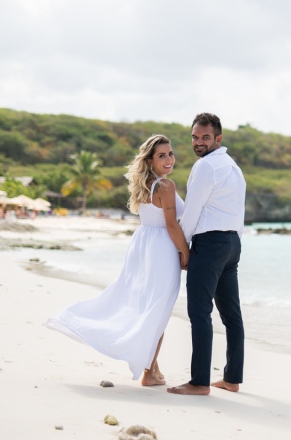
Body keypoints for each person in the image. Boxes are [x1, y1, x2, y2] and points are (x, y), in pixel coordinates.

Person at [45, 135, 189, 386]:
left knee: (146, 307)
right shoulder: (166, 186)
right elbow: (171, 225)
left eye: (170, 153)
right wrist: (186, 252)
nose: (169, 159)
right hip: (161, 249)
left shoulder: (146, 184)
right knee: (158, 309)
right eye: (161, 155)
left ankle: (152, 367)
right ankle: (148, 372)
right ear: (150, 160)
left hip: (143, 246)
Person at [168, 113, 246, 396]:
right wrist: (234, 244)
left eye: (205, 137)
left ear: (218, 139)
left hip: (211, 245)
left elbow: (191, 212)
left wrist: (183, 248)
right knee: (231, 315)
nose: (198, 142)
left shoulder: (206, 167)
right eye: (194, 137)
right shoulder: (232, 166)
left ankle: (200, 382)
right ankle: (232, 379)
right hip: (232, 244)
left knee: (199, 312)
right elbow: (238, 210)